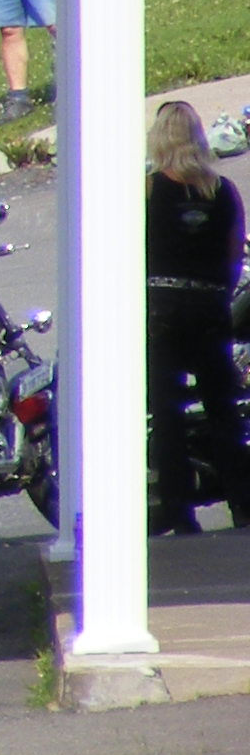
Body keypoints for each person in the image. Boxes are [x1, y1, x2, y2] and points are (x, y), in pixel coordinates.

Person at [149, 100, 247, 535]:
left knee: (166, 414)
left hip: (161, 310)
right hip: (208, 306)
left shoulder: (147, 191)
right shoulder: (221, 190)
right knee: (223, 411)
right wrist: (220, 294)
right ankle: (241, 504)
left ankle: (178, 510)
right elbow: (233, 252)